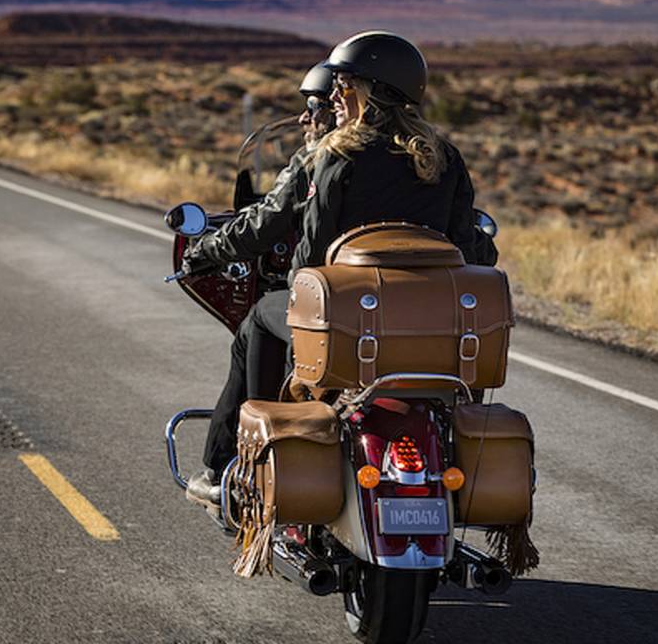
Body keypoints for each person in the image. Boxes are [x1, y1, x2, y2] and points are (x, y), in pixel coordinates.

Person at [184, 32, 484, 506]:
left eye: (344, 85)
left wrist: (204, 253)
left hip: (349, 319)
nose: (336, 95)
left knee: (261, 317)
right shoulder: (444, 158)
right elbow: (466, 251)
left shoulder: (334, 156)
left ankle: (235, 461)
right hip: (430, 322)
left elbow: (310, 258)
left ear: (368, 91)